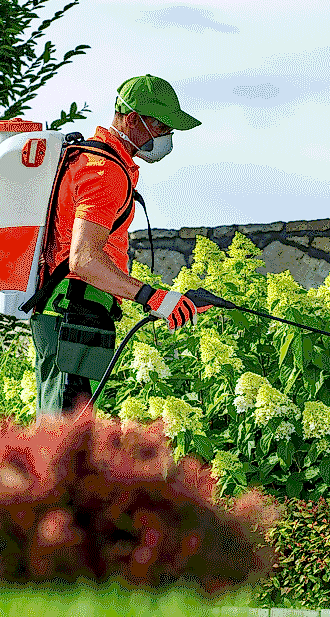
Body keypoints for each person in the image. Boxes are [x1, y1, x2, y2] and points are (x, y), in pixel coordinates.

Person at [28, 74, 212, 420]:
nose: (167, 138)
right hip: (73, 312)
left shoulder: (93, 161)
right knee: (62, 438)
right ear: (131, 120)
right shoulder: (104, 173)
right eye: (161, 128)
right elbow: (83, 259)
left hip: (74, 311)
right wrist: (152, 297)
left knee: (68, 430)